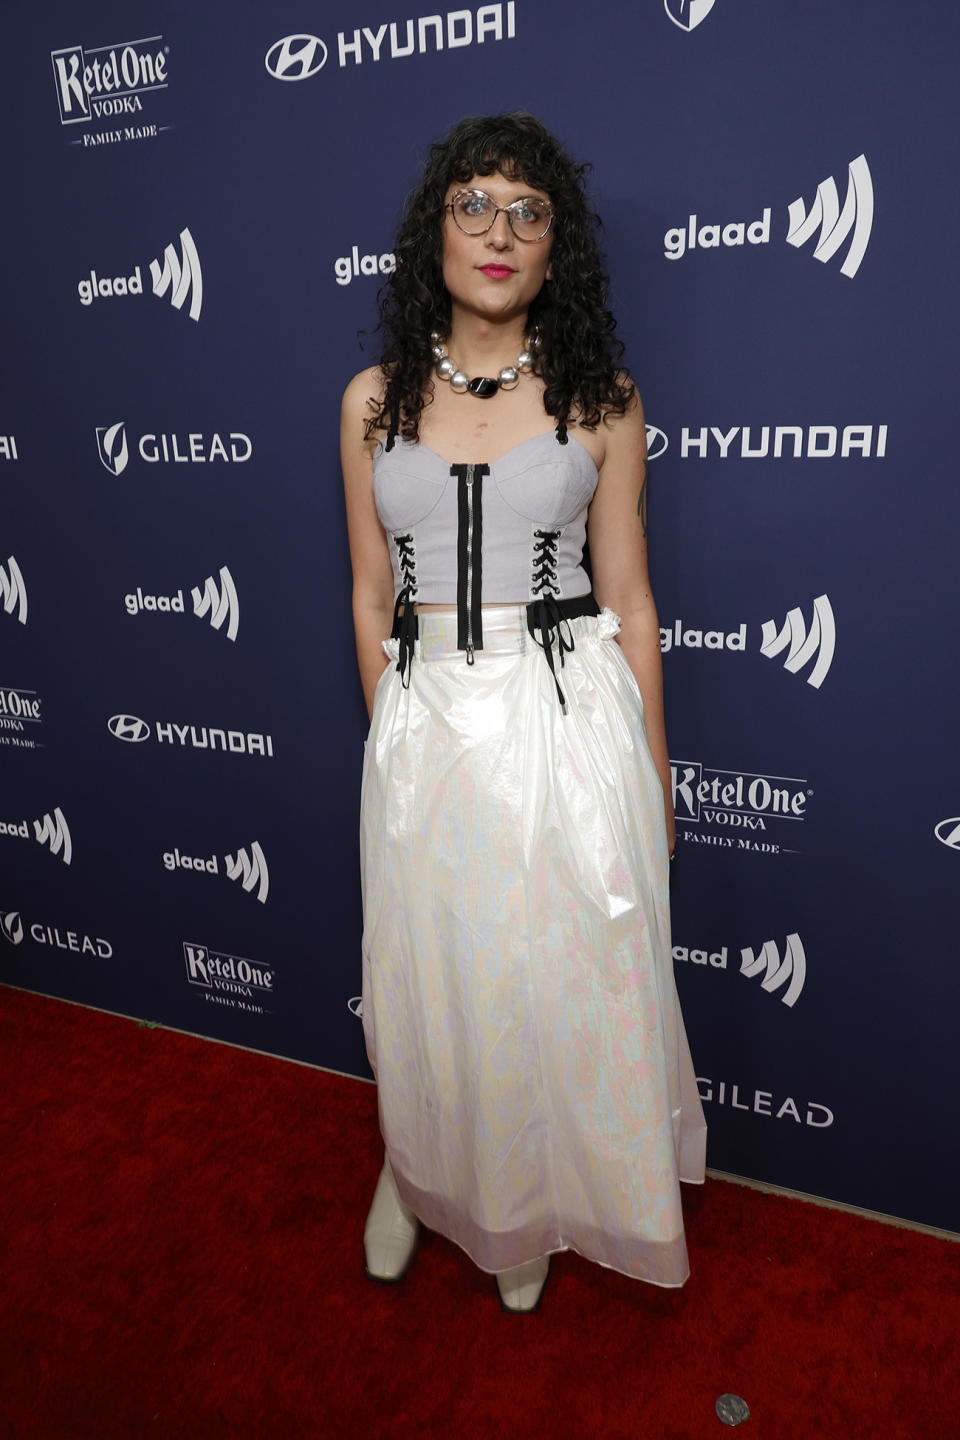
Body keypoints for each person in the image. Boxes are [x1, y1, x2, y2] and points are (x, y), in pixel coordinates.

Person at [341, 113, 705, 1314]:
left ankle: (529, 1199)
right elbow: (368, 591)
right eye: (473, 204)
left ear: (558, 250)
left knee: (546, 976)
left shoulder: (602, 398)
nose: (499, 232)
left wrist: (654, 780)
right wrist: (391, 732)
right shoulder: (372, 402)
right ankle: (420, 1170)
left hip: (562, 716)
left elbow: (635, 599)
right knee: (429, 970)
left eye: (529, 212)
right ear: (434, 231)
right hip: (427, 716)